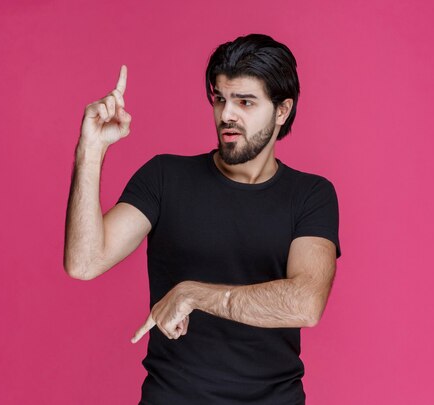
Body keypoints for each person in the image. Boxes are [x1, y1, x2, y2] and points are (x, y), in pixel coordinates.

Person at [64, 33, 341, 405]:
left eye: (245, 101)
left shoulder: (310, 195)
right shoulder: (164, 177)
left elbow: (306, 303)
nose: (227, 114)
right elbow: (84, 262)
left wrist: (192, 295)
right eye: (220, 99)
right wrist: (91, 150)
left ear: (281, 111)